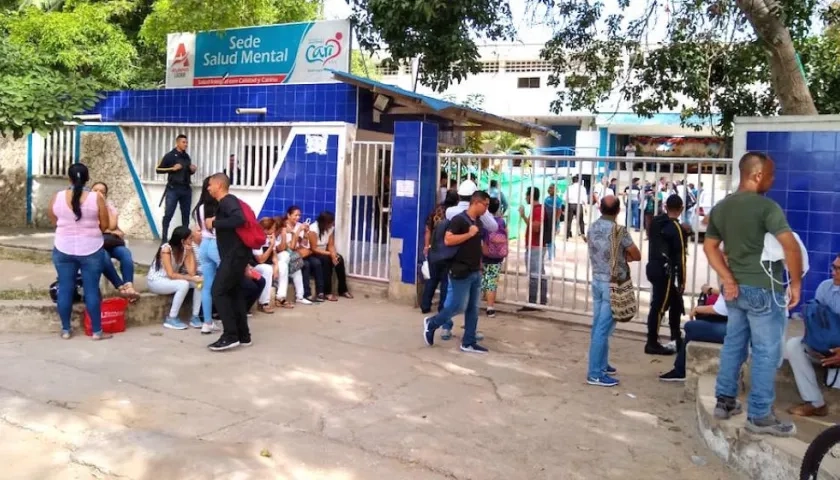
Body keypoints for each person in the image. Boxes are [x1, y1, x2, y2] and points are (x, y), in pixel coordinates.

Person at [706, 151, 803, 437]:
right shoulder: (767, 208)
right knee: (766, 352)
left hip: (735, 291)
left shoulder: (721, 208)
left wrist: (727, 279)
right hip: (765, 289)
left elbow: (710, 248)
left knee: (734, 344)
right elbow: (791, 247)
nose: (772, 181)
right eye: (771, 175)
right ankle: (760, 415)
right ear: (757, 175)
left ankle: (724, 401)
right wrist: (796, 283)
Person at [48, 163, 111, 340]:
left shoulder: (57, 197)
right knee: (91, 290)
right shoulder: (96, 198)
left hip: (63, 248)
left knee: (66, 288)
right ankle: (97, 332)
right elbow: (105, 225)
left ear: (68, 178)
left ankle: (66, 330)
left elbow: (53, 219)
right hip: (91, 249)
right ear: (87, 178)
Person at [423, 190, 491, 354]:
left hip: (475, 270)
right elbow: (448, 239)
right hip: (460, 270)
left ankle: (468, 342)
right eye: (485, 205)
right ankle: (431, 324)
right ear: (476, 202)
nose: (486, 209)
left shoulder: (479, 222)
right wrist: (469, 233)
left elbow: (477, 243)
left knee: (473, 309)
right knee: (457, 306)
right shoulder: (459, 220)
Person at [586, 196, 641, 386]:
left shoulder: (592, 227)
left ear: (600, 208)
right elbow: (637, 254)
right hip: (613, 283)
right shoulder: (619, 231)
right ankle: (595, 373)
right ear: (618, 211)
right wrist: (624, 256)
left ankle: (601, 363)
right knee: (603, 329)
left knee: (601, 326)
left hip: (597, 280)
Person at [785, 254, 840, 417]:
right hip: (825, 349)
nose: (834, 272)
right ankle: (816, 403)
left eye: (839, 269)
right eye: (834, 267)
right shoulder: (825, 287)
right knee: (794, 345)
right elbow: (814, 321)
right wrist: (815, 343)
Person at [206, 173, 252, 351]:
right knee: (235, 292)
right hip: (235, 254)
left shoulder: (228, 201)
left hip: (235, 255)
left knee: (218, 291)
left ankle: (230, 335)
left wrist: (215, 223)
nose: (208, 188)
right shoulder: (226, 202)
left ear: (219, 185)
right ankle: (243, 335)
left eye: (210, 185)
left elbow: (239, 219)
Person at [659, 285, 733, 382]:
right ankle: (680, 369)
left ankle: (680, 371)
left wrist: (698, 309)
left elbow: (721, 309)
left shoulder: (733, 277)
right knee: (695, 327)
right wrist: (711, 291)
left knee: (690, 327)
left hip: (735, 329)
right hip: (737, 324)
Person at [644, 195, 688, 356]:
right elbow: (681, 257)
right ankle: (652, 342)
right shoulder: (676, 228)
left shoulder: (657, 222)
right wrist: (683, 280)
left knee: (675, 302)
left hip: (653, 267)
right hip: (665, 271)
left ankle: (676, 337)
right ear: (682, 208)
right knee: (659, 307)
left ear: (665, 206)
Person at [146, 226, 202, 329]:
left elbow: (192, 272)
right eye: (190, 238)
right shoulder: (166, 249)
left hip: (171, 280)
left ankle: (195, 316)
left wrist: (190, 253)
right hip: (157, 281)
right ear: (182, 240)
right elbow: (170, 274)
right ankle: (171, 318)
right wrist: (191, 278)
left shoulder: (185, 249)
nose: (192, 240)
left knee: (199, 283)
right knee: (184, 284)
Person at [90, 182, 139, 300]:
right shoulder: (87, 208)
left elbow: (111, 226)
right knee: (104, 256)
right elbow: (96, 227)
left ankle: (129, 285)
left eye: (102, 192)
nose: (98, 193)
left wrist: (104, 207)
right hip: (95, 245)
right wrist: (109, 230)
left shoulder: (109, 207)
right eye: (95, 190)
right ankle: (120, 287)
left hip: (110, 243)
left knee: (125, 253)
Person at [422, 190, 460, 316]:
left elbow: (428, 229)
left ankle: (425, 306)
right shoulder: (455, 215)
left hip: (434, 250)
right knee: (445, 281)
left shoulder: (436, 211)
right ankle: (442, 308)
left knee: (431, 279)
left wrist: (426, 246)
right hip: (448, 252)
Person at [193, 176, 221, 334]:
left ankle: (207, 322)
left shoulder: (199, 207)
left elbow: (199, 229)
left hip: (204, 245)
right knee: (228, 282)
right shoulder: (219, 205)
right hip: (216, 245)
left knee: (207, 286)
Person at [156, 134, 196, 241]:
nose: (186, 144)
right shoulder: (170, 155)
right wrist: (172, 169)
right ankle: (164, 238)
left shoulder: (186, 157)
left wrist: (192, 170)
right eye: (183, 142)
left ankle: (185, 238)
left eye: (186, 142)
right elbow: (158, 169)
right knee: (169, 213)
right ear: (177, 142)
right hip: (173, 189)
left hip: (186, 189)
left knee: (186, 214)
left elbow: (186, 172)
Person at [308, 211, 353, 301]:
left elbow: (331, 245)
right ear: (324, 222)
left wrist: (334, 255)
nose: (332, 225)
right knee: (326, 261)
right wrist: (330, 254)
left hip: (326, 251)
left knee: (339, 259)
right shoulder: (313, 229)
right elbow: (314, 248)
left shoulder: (330, 229)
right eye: (330, 223)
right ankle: (327, 292)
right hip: (315, 253)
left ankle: (343, 289)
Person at [281, 207, 320, 303]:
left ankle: (317, 293)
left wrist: (306, 234)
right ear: (288, 215)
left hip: (298, 253)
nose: (298, 217)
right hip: (288, 254)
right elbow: (291, 247)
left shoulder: (299, 225)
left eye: (299, 215)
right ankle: (306, 294)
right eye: (295, 215)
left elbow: (303, 243)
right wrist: (298, 231)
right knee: (304, 264)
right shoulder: (284, 227)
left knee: (316, 262)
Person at [519, 186, 547, 310]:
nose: (525, 198)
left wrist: (523, 216)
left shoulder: (538, 210)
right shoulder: (537, 209)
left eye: (526, 195)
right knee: (539, 273)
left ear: (530, 196)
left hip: (535, 245)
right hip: (535, 245)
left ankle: (533, 302)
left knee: (534, 274)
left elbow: (536, 228)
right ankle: (540, 301)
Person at [481, 198, 507, 318]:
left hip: (483, 255)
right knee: (492, 281)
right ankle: (490, 308)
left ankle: (474, 305)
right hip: (496, 256)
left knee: (480, 280)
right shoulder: (501, 221)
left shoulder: (483, 221)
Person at [251, 218, 277, 313]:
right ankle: (264, 303)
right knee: (267, 269)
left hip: (267, 263)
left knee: (282, 267)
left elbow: (274, 255)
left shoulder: (270, 237)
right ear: (266, 229)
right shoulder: (257, 239)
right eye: (273, 228)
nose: (274, 230)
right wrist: (271, 246)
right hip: (254, 265)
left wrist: (276, 266)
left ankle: (281, 297)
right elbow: (260, 260)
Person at [564, 175, 587, 239]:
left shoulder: (569, 187)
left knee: (569, 221)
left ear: (572, 181)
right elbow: (584, 199)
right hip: (579, 205)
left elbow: (565, 198)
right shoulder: (582, 188)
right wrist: (585, 207)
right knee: (581, 221)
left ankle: (567, 235)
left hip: (571, 205)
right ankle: (583, 234)